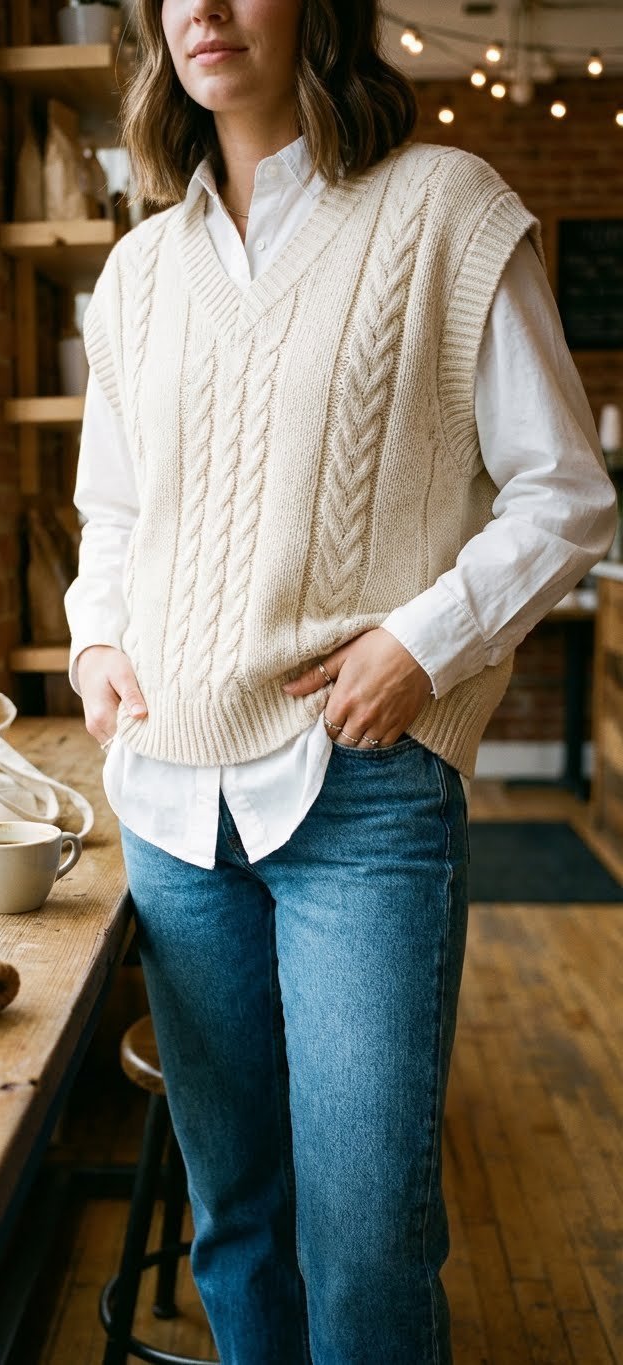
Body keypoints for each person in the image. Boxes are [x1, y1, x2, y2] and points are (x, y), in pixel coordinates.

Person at [64, 2, 617, 1360]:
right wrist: (95, 641)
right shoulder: (136, 273)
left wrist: (421, 641)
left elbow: (563, 494)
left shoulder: (443, 209)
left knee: (368, 1248)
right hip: (171, 813)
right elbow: (118, 521)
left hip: (361, 803)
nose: (202, 7)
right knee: (235, 1220)